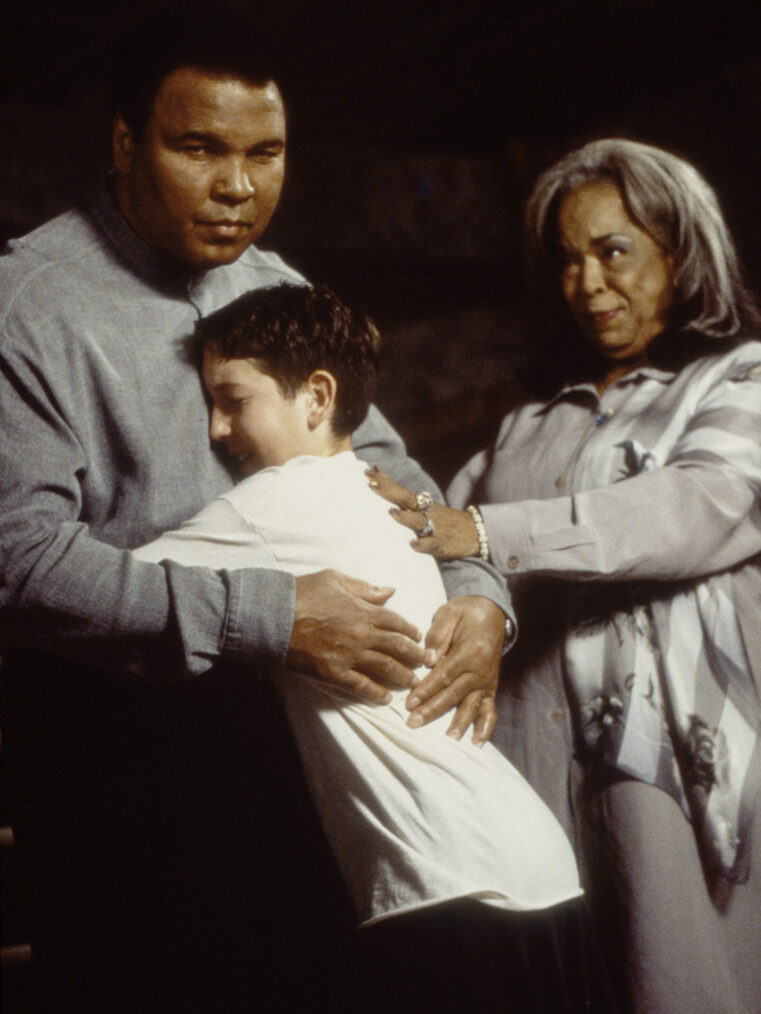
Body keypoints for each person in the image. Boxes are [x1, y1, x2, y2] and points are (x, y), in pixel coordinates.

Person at [0, 11, 510, 1010]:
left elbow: (391, 468)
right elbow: (18, 562)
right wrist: (273, 618)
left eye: (264, 152)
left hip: (302, 769)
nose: (239, 186)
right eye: (200, 149)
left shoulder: (276, 285)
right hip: (121, 780)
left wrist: (478, 590)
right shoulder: (27, 306)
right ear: (123, 142)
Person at [369, 138, 761, 1014]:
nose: (586, 285)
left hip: (661, 778)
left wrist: (480, 530)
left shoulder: (742, 381)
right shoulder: (528, 426)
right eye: (567, 261)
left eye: (612, 251)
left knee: (675, 976)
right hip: (522, 761)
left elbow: (690, 509)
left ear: (679, 249)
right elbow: (436, 544)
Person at [134, 282, 588, 1012]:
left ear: (316, 397)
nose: (217, 429)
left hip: (444, 876)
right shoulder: (382, 491)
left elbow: (93, 590)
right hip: (533, 861)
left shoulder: (273, 501)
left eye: (234, 399)